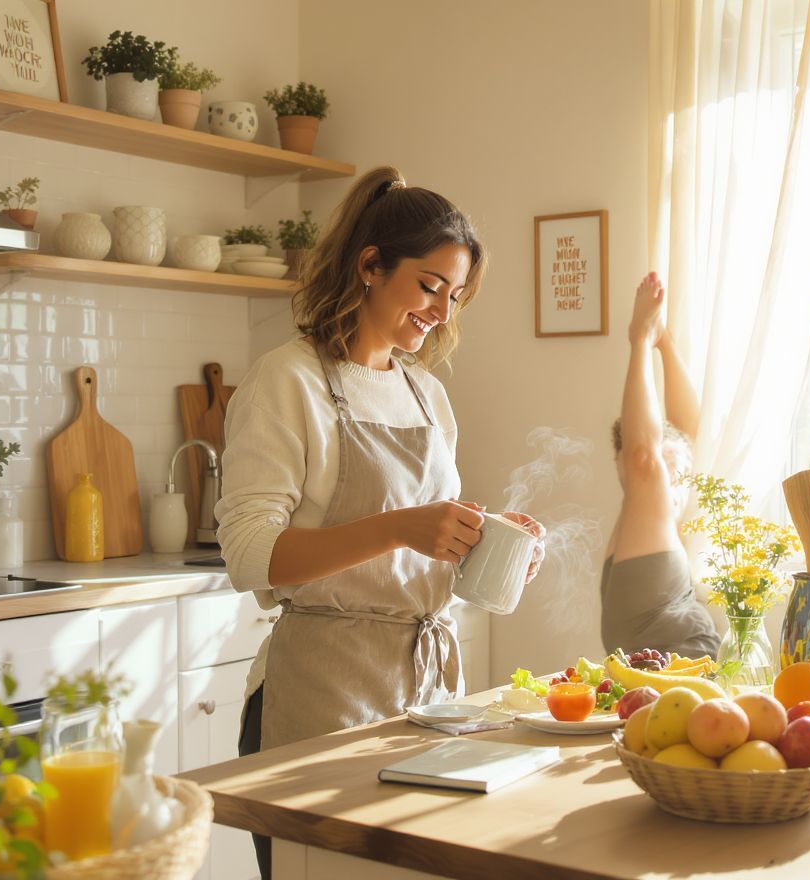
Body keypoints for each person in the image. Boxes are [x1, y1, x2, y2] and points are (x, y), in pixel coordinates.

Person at [216, 166, 545, 880]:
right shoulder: (287, 380)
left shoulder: (425, 393)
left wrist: (483, 541)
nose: (442, 312)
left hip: (425, 700)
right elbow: (248, 555)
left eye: (455, 297)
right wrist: (402, 526)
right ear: (370, 265)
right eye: (430, 286)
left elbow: (417, 552)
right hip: (318, 701)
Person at [600, 271, 720, 659]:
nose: (674, 476)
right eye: (663, 464)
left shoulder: (658, 523)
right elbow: (643, 457)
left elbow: (688, 429)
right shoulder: (647, 493)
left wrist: (662, 341)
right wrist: (639, 342)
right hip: (673, 682)